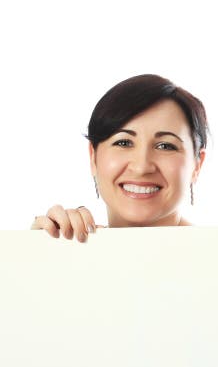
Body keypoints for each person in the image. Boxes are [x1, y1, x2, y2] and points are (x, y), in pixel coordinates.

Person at [31, 74, 208, 242]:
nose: (141, 167)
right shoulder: (70, 256)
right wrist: (35, 252)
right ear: (93, 157)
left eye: (165, 146)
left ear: (197, 164)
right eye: (123, 143)